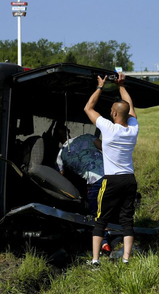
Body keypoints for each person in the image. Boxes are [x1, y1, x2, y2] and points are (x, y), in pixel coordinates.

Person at [84, 72, 139, 266]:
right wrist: (121, 86)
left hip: (112, 180)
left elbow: (88, 108)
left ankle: (95, 260)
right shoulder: (133, 129)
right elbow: (130, 108)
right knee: (127, 220)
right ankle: (126, 259)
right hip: (130, 179)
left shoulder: (107, 128)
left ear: (114, 113)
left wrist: (100, 86)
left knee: (101, 219)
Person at [56, 132, 104, 216]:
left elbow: (60, 178)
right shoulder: (87, 137)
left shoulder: (60, 155)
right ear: (69, 132)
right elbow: (106, 148)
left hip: (96, 181)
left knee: (96, 216)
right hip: (113, 174)